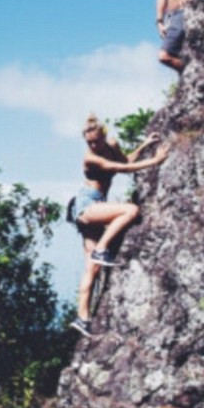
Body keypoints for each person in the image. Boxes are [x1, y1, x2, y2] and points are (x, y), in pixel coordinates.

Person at [71, 114, 170, 338]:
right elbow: (121, 169)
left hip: (96, 205)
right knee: (131, 210)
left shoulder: (112, 145)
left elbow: (125, 162)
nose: (93, 145)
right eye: (89, 142)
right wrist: (156, 160)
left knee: (92, 269)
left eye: (96, 141)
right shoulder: (90, 159)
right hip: (87, 206)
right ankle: (101, 249)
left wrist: (144, 146)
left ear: (104, 136)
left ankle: (82, 318)